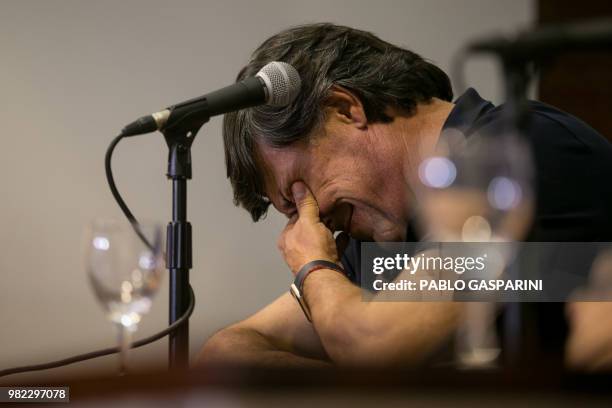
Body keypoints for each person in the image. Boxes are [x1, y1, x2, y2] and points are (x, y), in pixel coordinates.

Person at [197, 23, 612, 367]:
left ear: (345, 109)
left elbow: (373, 347)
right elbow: (228, 352)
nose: (315, 220)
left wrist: (314, 267)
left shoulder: (519, 154)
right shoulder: (376, 227)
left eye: (300, 192)